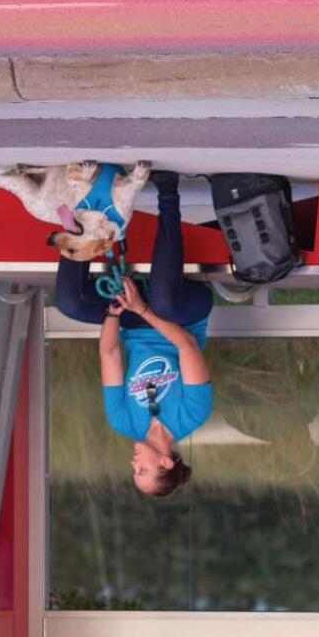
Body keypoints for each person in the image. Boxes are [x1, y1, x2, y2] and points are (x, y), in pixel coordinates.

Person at [53, 169, 215, 497]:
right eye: (142, 469)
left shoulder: (123, 422)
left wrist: (114, 313)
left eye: (133, 470)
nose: (133, 463)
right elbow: (185, 345)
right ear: (166, 463)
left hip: (132, 319)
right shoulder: (193, 415)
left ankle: (82, 215)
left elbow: (109, 353)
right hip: (183, 316)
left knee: (71, 303)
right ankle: (168, 192)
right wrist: (141, 309)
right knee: (164, 302)